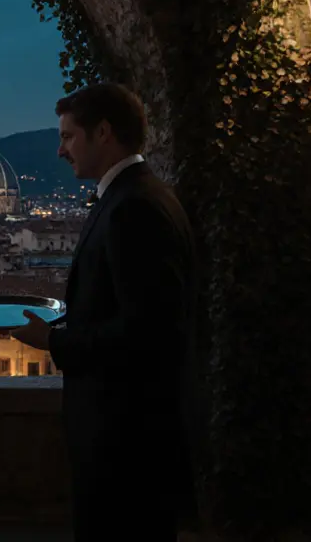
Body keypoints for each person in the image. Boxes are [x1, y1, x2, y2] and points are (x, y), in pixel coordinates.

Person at [10, 83, 198, 541]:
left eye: (69, 137)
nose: (59, 150)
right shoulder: (141, 197)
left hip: (125, 442)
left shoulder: (133, 208)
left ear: (104, 133)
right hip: (130, 436)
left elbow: (148, 332)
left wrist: (53, 341)